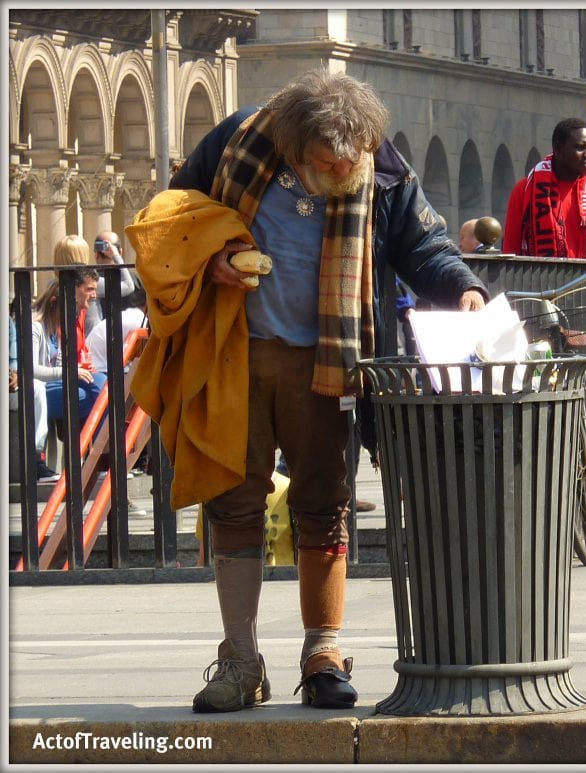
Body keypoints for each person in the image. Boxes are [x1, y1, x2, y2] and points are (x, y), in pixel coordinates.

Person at [127, 68, 487, 715]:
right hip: (236, 354)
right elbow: (170, 220)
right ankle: (240, 660)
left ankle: (323, 652)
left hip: (329, 363)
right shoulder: (236, 142)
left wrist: (462, 285)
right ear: (297, 148)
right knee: (234, 505)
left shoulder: (379, 164)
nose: (342, 170)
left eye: (351, 161)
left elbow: (422, 241)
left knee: (325, 502)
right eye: (328, 163)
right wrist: (208, 261)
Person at [502, 117, 586, 260]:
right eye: (580, 148)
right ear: (559, 149)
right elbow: (511, 249)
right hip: (542, 279)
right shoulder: (525, 190)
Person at [32, 266, 108, 430]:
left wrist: (77, 369)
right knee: (92, 390)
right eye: (89, 289)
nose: (74, 314)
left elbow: (59, 362)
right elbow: (30, 370)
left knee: (97, 383)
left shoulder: (54, 327)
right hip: (37, 388)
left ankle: (98, 447)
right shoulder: (36, 327)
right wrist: (71, 371)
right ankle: (100, 448)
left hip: (54, 381)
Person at [9, 312, 58, 482]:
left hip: (15, 387)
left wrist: (15, 373)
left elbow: (16, 362)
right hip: (15, 388)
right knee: (35, 386)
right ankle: (37, 460)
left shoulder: (10, 326)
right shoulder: (36, 327)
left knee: (35, 386)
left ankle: (36, 457)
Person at [92, 230, 139, 326]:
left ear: (96, 255)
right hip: (134, 336)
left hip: (103, 335)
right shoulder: (138, 280)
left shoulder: (90, 283)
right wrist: (116, 256)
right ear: (120, 252)